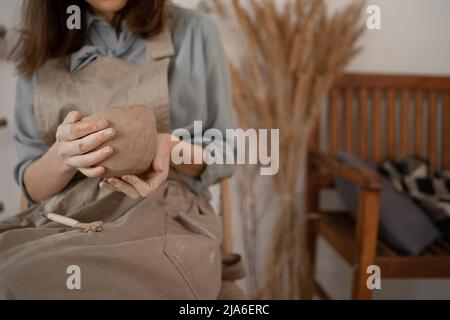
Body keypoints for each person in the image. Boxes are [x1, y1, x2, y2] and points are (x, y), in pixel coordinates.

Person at [0, 0, 235, 299]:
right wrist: (64, 155)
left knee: (33, 284)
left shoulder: (194, 31)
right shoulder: (43, 40)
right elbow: (32, 185)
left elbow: (226, 152)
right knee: (9, 278)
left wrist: (169, 149)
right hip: (63, 216)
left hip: (164, 211)